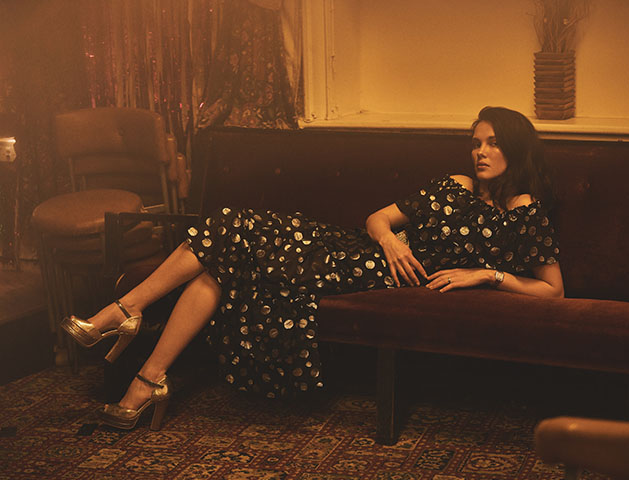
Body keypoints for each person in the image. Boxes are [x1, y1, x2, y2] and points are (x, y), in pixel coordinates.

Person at [61, 106, 564, 431]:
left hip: (367, 275)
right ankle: (146, 373)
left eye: (492, 143)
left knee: (225, 243)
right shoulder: (454, 184)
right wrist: (390, 239)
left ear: (515, 148)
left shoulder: (525, 212)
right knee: (225, 241)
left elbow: (552, 291)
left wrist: (487, 275)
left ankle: (128, 327)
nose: (480, 152)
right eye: (476, 142)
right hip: (354, 250)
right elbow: (377, 218)